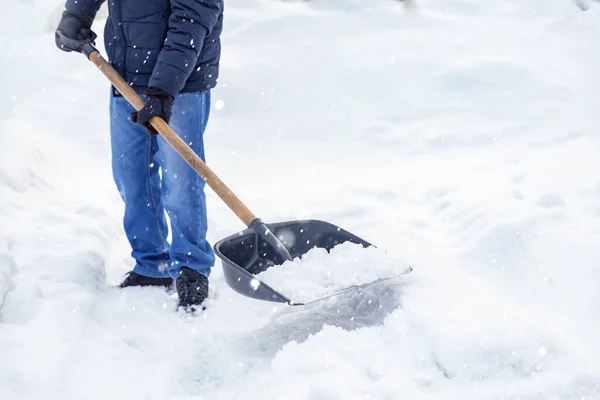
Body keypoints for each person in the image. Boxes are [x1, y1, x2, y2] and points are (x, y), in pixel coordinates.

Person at [54, 0, 224, 313]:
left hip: (181, 83)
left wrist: (163, 90)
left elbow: (191, 21)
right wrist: (77, 13)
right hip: (126, 71)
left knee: (181, 181)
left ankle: (191, 267)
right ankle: (151, 263)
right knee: (131, 175)